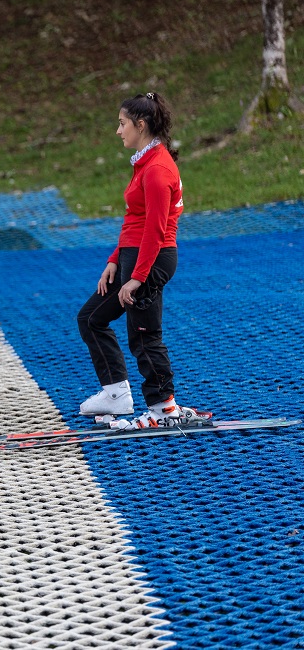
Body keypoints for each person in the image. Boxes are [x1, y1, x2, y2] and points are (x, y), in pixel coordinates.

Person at [76, 92, 206, 430]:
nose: (118, 131)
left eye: (122, 124)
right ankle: (116, 393)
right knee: (92, 318)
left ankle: (164, 408)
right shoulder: (145, 163)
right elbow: (135, 219)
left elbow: (156, 229)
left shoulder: (158, 169)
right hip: (132, 258)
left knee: (145, 336)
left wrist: (137, 276)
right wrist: (115, 260)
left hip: (152, 258)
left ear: (141, 125)